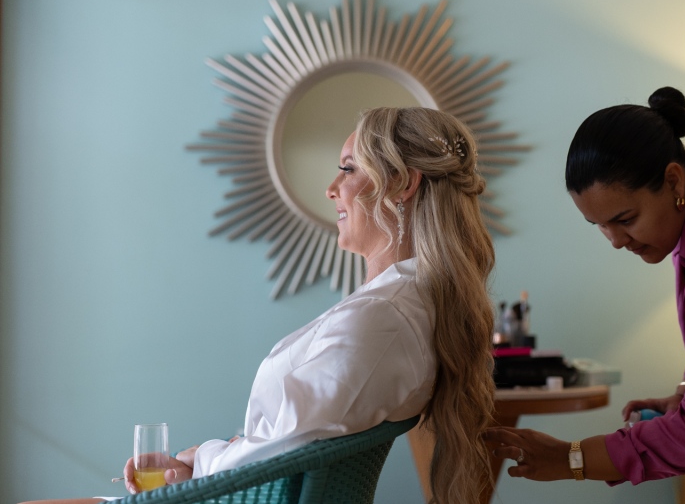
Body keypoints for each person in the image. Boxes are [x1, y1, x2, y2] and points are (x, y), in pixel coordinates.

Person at [21, 107, 497, 504]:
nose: (332, 188)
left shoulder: (383, 321)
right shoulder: (398, 306)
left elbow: (279, 455)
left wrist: (202, 460)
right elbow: (293, 441)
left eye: (348, 168)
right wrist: (202, 457)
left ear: (402, 184)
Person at [484, 87, 685, 503]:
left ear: (672, 180)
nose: (616, 241)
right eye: (599, 225)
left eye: (625, 219)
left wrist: (570, 458)